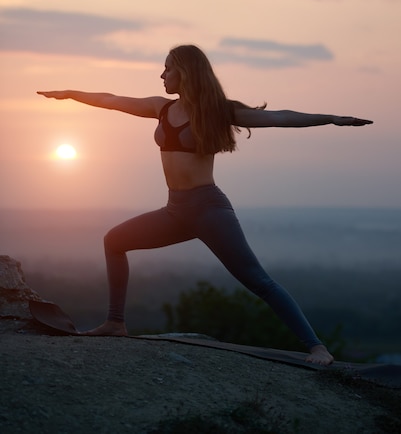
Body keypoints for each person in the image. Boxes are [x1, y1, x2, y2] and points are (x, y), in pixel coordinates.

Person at [37, 44, 373, 365]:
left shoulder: (218, 112)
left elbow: (279, 118)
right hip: (175, 211)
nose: (162, 75)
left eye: (168, 68)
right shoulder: (161, 107)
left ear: (184, 72)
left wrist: (331, 118)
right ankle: (115, 322)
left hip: (209, 210)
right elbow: (111, 100)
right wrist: (71, 93)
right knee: (115, 241)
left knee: (258, 282)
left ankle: (317, 347)